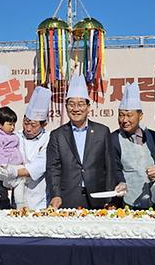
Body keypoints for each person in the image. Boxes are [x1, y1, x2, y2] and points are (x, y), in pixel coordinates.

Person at [47, 74, 116, 210]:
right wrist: (56, 194)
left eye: (80, 104)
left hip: (98, 197)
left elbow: (109, 167)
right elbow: (53, 169)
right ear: (66, 107)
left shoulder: (102, 132)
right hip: (68, 198)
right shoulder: (57, 135)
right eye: (71, 104)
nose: (76, 109)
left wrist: (109, 198)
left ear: (88, 107)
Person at [109, 82, 155, 209]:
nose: (124, 120)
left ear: (140, 116)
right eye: (121, 115)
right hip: (128, 202)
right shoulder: (114, 138)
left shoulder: (153, 136)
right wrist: (121, 182)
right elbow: (115, 167)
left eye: (129, 115)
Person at [12, 86, 52, 210]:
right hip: (17, 200)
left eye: (33, 125)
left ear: (44, 124)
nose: (28, 128)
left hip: (40, 200)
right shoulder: (15, 136)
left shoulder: (49, 138)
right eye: (26, 122)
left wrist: (11, 171)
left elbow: (36, 168)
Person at [0, 106, 25, 206]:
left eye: (14, 124)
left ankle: (18, 205)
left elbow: (17, 150)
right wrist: (3, 166)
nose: (12, 127)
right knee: (19, 182)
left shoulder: (13, 136)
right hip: (4, 169)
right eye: (10, 124)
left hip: (16, 166)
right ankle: (19, 205)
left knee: (23, 181)